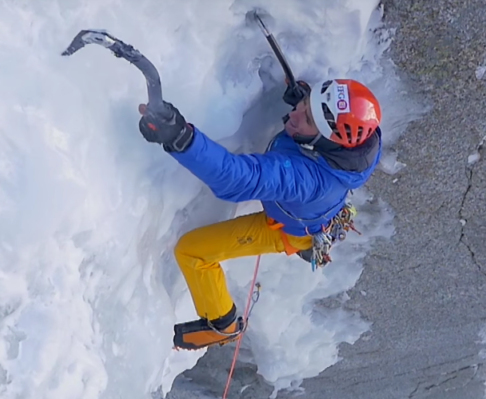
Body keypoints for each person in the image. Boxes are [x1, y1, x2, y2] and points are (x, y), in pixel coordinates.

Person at [137, 79, 383, 350]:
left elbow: (239, 179)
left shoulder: (305, 179)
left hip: (288, 229)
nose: (294, 114)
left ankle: (222, 324)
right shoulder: (362, 144)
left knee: (192, 252)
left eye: (308, 119)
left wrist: (181, 138)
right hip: (316, 210)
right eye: (305, 103)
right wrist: (305, 102)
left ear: (326, 140)